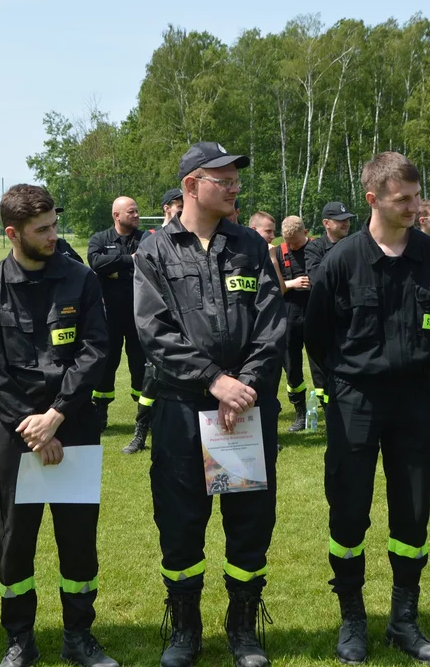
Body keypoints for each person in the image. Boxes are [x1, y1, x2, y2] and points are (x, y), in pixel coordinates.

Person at [134, 141, 285, 667]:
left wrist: (242, 386)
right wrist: (213, 381)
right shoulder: (154, 250)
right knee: (180, 523)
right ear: (192, 186)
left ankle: (243, 627)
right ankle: (185, 629)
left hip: (245, 409)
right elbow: (154, 331)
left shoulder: (250, 245)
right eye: (223, 177)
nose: (235, 185)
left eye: (236, 176)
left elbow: (272, 323)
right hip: (180, 410)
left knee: (249, 521)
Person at [304, 152, 430, 666]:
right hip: (356, 403)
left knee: (412, 516)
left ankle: (403, 620)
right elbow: (317, 336)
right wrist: (336, 392)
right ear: (373, 199)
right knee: (348, 514)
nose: (415, 207)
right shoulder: (341, 260)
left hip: (414, 403)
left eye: (417, 197)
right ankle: (352, 620)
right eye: (403, 199)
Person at [0, 183, 116, 667]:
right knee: (14, 541)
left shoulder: (81, 280)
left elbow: (96, 351)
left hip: (71, 425)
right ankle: (20, 639)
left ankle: (79, 635)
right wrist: (29, 428)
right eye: (43, 229)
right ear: (14, 233)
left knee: (79, 540)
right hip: (15, 436)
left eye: (55, 224)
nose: (54, 234)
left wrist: (56, 416)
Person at [123, 188, 185, 455]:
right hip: (161, 319)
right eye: (178, 205)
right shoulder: (150, 239)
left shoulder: (191, 238)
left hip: (188, 320)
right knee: (151, 380)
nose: (183, 209)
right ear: (166, 208)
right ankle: (140, 434)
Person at [86, 196, 146, 434]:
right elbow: (95, 263)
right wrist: (128, 261)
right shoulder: (100, 239)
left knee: (141, 365)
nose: (136, 215)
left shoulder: (146, 239)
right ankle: (100, 413)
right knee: (105, 365)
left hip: (139, 315)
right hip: (107, 316)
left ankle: (145, 418)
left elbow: (148, 261)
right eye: (131, 212)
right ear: (116, 215)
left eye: (137, 211)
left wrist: (114, 269)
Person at [273, 216, 323, 431]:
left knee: (320, 365)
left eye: (296, 242)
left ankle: (330, 412)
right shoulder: (277, 252)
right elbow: (272, 286)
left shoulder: (317, 249)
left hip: (314, 315)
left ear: (306, 232)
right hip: (289, 316)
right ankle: (300, 414)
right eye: (288, 242)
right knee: (292, 367)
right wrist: (292, 283)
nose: (292, 246)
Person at [305, 201, 354, 267]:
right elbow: (316, 275)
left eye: (347, 219)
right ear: (326, 223)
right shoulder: (315, 248)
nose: (346, 223)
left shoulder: (355, 244)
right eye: (340, 220)